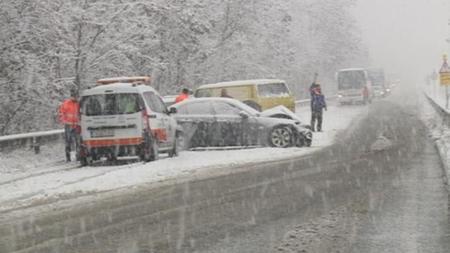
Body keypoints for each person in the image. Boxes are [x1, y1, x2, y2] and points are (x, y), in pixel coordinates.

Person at [59, 88, 81, 162]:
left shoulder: (79, 104)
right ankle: (68, 157)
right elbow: (61, 113)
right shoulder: (66, 103)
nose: (75, 97)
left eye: (76, 96)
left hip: (77, 125)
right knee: (68, 141)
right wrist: (64, 121)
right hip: (68, 125)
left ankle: (78, 155)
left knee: (78, 141)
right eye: (74, 96)